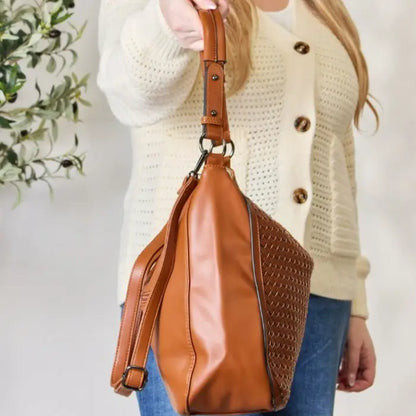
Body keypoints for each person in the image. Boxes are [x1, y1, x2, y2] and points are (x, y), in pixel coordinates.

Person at [97, 0, 378, 414]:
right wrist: (168, 24)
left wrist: (355, 301)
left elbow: (338, 158)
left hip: (319, 304)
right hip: (199, 293)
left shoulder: (323, 8)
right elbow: (129, 94)